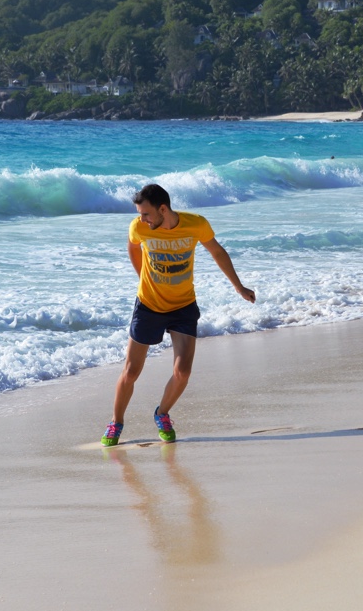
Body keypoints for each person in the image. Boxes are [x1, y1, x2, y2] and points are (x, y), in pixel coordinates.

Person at [101, 184, 255, 446]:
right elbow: (133, 247)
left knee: (183, 371)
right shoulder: (139, 228)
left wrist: (238, 286)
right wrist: (142, 278)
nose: (142, 219)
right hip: (149, 306)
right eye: (139, 214)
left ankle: (162, 414)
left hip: (183, 306)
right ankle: (116, 422)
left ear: (163, 209)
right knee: (131, 371)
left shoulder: (196, 224)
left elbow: (217, 251)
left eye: (146, 214)